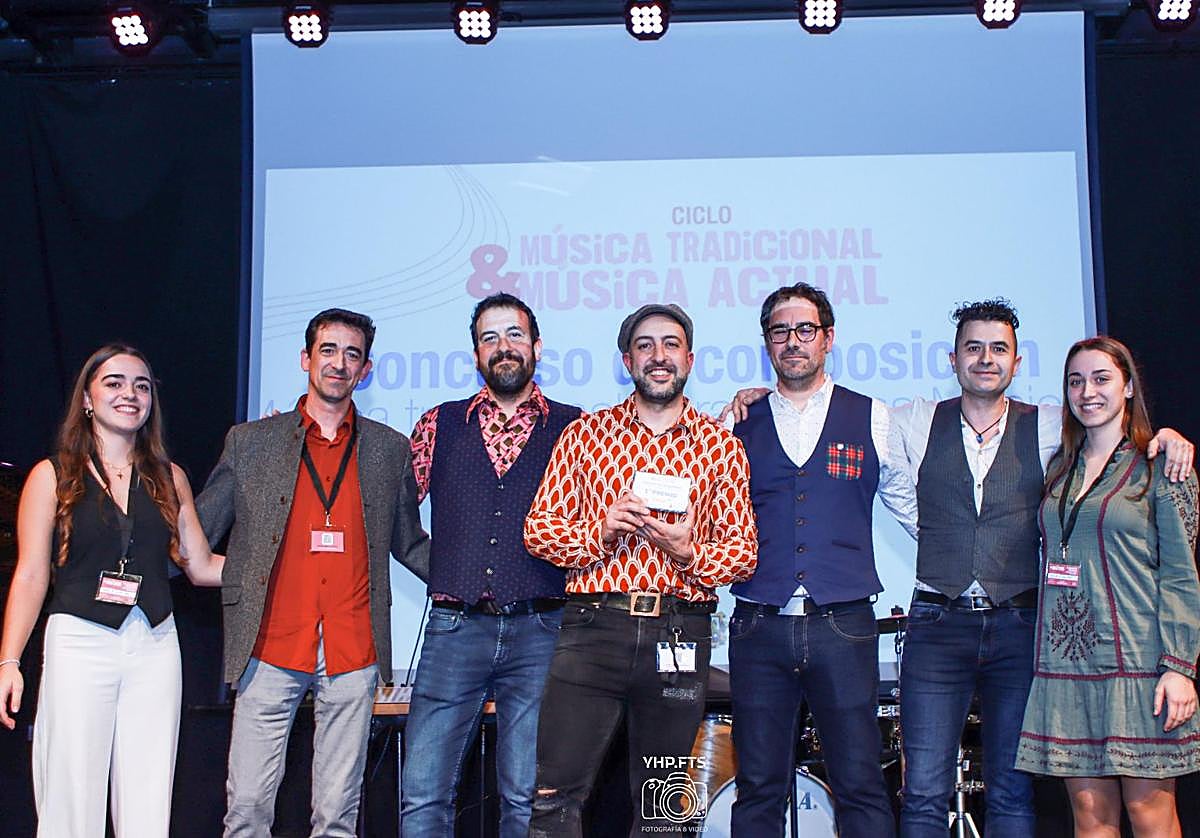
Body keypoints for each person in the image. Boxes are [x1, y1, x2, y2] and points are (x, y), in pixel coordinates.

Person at [890, 302, 1194, 838]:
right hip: (953, 628)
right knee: (925, 795)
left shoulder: (1054, 428)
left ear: (1017, 360)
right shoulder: (913, 420)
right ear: (952, 358)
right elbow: (831, 416)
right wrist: (754, 398)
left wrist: (1167, 436)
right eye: (973, 348)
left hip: (1036, 630)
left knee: (1015, 791)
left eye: (999, 348)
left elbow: (1178, 569)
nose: (986, 359)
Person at [523, 303, 757, 837]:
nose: (659, 356)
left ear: (689, 359)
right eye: (645, 345)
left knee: (664, 814)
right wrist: (599, 534)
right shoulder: (586, 435)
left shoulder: (721, 448)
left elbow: (742, 553)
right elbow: (539, 529)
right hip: (592, 633)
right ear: (627, 359)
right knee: (555, 800)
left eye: (670, 344)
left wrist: (688, 551)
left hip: (677, 635)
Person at [195, 308, 430, 838]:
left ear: (366, 370)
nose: (339, 364)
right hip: (270, 642)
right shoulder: (250, 442)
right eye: (328, 350)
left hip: (353, 647)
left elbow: (409, 542)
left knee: (336, 815)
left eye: (352, 354)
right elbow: (202, 527)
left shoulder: (390, 449)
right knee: (249, 806)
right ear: (306, 359)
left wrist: (469, 579)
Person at [0, 343, 223, 837]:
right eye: (115, 383)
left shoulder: (170, 477)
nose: (130, 394)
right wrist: (9, 662)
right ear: (86, 398)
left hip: (155, 643)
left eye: (142, 386)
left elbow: (202, 565)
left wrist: (283, 564)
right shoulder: (51, 475)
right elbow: (32, 574)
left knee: (148, 793)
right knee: (71, 791)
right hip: (79, 639)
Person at [725, 283, 918, 838]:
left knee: (859, 781)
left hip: (844, 624)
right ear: (767, 343)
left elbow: (910, 508)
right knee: (759, 785)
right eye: (780, 332)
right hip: (759, 623)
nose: (792, 341)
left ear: (828, 338)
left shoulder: (874, 416)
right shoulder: (737, 421)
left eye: (804, 329)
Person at [399, 293, 581, 838]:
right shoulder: (439, 423)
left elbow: (601, 522)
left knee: (527, 799)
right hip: (454, 630)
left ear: (537, 347)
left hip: (543, 629)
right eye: (490, 338)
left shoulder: (576, 428)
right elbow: (396, 515)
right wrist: (449, 571)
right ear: (475, 353)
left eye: (515, 335)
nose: (504, 348)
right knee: (423, 795)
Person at [1015, 335, 1200, 837]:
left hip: (1140, 667)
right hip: (1066, 668)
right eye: (1076, 381)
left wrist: (1180, 667)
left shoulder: (1162, 464)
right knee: (1091, 821)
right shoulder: (1059, 469)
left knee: (1151, 816)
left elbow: (1182, 574)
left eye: (1101, 379)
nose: (1087, 392)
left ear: (1128, 388)